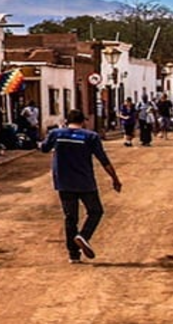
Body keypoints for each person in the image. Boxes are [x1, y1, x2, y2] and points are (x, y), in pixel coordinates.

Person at [40, 109, 122, 263]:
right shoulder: (90, 137)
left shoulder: (57, 134)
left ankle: (73, 255)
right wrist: (115, 179)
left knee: (70, 218)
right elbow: (103, 159)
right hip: (85, 183)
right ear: (83, 122)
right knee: (96, 211)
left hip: (64, 182)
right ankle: (83, 236)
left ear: (66, 121)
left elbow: (44, 148)